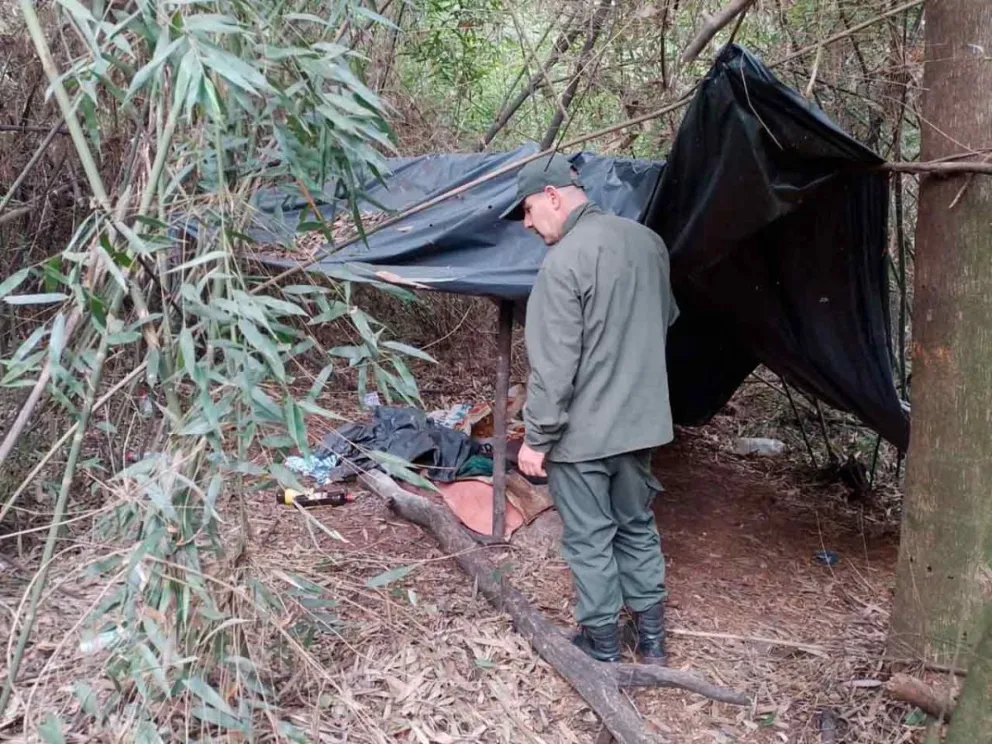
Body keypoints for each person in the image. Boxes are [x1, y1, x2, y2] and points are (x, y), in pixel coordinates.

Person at [500, 153, 680, 664]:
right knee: (637, 524)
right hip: (639, 426)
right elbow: (662, 320)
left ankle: (602, 644)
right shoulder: (649, 244)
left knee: (590, 536)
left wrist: (536, 439)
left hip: (582, 436)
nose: (529, 224)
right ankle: (653, 641)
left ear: (553, 195)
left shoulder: (563, 263)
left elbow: (554, 368)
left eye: (530, 211)